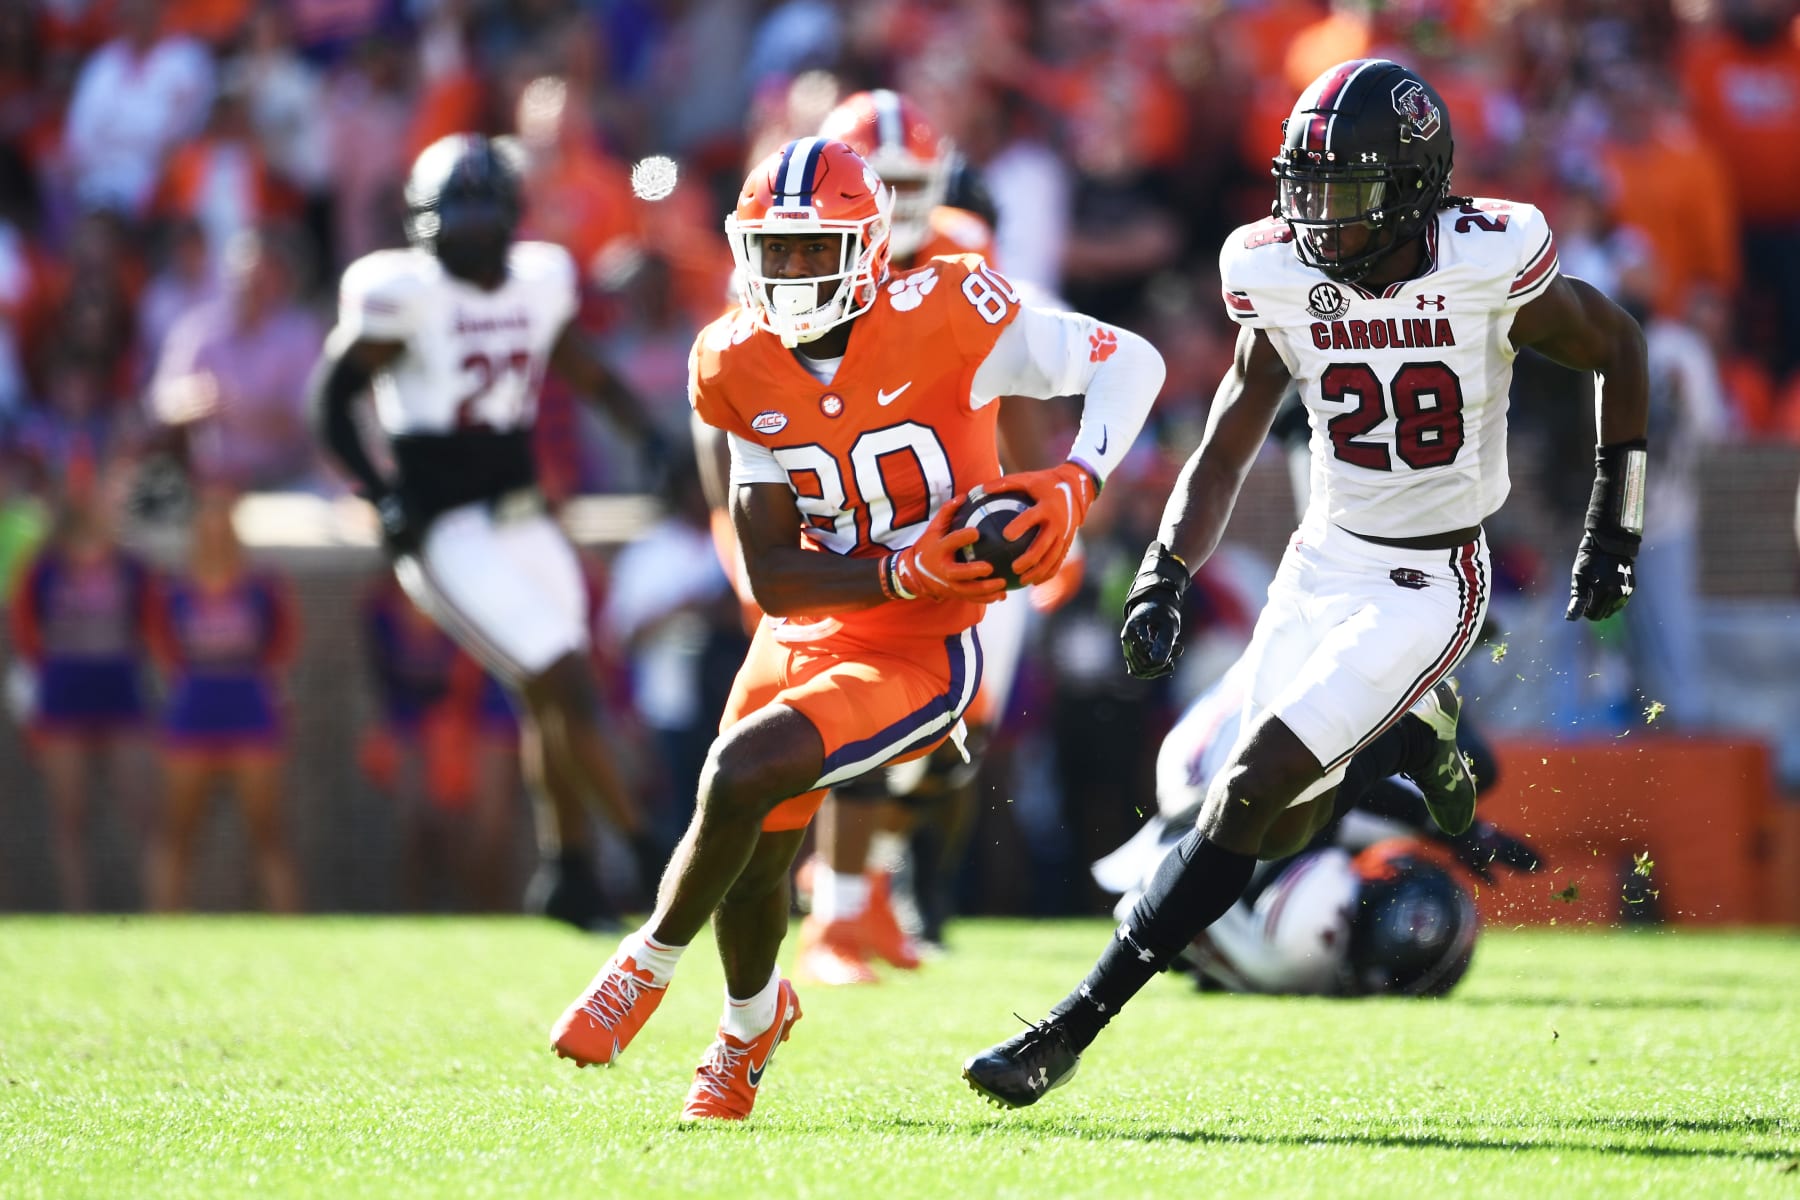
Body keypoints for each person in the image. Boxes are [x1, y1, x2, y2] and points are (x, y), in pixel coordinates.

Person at [963, 58, 1649, 1108]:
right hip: (1323, 560)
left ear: (1417, 188)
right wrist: (1163, 571)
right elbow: (1229, 443)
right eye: (1307, 186)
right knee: (1266, 821)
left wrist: (1615, 517)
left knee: (1248, 790)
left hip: (1431, 576)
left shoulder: (1485, 260)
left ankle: (1069, 1026)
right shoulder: (1279, 271)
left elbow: (1619, 346)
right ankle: (1404, 744)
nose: (1318, 216)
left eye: (1349, 191)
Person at [550, 136, 1164, 1122]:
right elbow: (776, 576)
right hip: (815, 621)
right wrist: (898, 562)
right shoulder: (735, 358)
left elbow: (1130, 361)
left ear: (871, 247)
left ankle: (645, 964)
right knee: (752, 851)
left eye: (812, 249)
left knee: (738, 771)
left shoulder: (952, 309)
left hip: (923, 644)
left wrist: (1076, 480)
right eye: (773, 249)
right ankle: (751, 1026)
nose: (789, 272)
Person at [307, 133, 661, 930]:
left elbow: (586, 368)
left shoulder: (539, 280)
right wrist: (380, 493)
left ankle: (569, 875)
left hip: (521, 512)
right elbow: (330, 398)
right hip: (446, 529)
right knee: (563, 677)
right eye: (451, 216)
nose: (465, 232)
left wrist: (653, 436)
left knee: (556, 695)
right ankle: (649, 856)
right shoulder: (405, 294)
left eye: (477, 215)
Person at [1092, 658, 1541, 998]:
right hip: (1216, 778)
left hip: (1213, 771)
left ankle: (1198, 894)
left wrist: (1446, 828)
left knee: (1434, 761)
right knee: (1448, 764)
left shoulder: (1306, 923)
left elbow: (1344, 777)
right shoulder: (1302, 946)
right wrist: (1449, 829)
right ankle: (1200, 904)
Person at [8, 456, 157, 911]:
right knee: (69, 817)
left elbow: (152, 627)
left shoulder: (133, 567)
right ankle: (78, 912)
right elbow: (25, 628)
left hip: (121, 691)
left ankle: (160, 910)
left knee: (142, 809)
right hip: (63, 695)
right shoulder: (43, 569)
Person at [145, 487, 302, 912]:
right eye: (206, 524)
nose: (214, 535)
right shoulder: (172, 588)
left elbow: (284, 643)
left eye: (223, 524)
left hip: (251, 711)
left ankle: (290, 928)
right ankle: (164, 927)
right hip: (193, 712)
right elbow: (161, 645)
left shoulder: (262, 585)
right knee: (177, 830)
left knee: (268, 831)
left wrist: (270, 687)